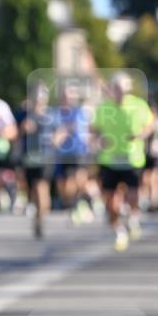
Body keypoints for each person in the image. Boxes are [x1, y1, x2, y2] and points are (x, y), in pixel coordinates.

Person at [92, 72, 153, 251]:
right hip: (109, 159)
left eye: (125, 89)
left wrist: (141, 134)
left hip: (132, 158)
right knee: (111, 202)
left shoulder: (139, 105)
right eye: (118, 89)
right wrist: (99, 138)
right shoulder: (104, 107)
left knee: (133, 195)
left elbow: (149, 125)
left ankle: (134, 217)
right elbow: (94, 128)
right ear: (113, 89)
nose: (122, 92)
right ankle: (119, 231)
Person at [15, 84, 55, 239]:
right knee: (31, 188)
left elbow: (60, 132)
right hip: (28, 157)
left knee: (41, 187)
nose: (39, 100)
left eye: (42, 96)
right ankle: (37, 214)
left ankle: (41, 217)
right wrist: (22, 128)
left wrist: (55, 139)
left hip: (45, 157)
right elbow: (14, 133)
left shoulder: (51, 115)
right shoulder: (23, 114)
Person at [51, 83, 94, 225]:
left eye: (70, 96)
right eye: (65, 96)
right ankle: (77, 204)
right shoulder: (56, 113)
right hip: (61, 154)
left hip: (78, 152)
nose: (68, 99)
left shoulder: (79, 112)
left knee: (78, 181)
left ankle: (82, 204)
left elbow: (83, 129)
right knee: (63, 187)